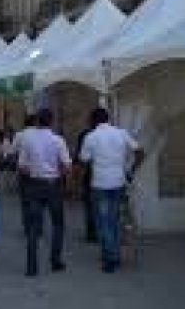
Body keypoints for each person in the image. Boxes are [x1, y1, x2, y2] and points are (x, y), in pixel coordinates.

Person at [79, 107, 145, 273]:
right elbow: (140, 152)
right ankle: (114, 253)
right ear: (108, 119)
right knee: (115, 219)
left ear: (93, 121)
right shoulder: (121, 133)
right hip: (119, 182)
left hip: (100, 184)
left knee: (103, 222)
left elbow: (84, 160)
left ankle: (111, 257)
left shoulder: (91, 137)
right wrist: (131, 171)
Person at [18, 108, 71, 277]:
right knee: (57, 224)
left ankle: (31, 267)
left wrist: (35, 173)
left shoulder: (27, 140)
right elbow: (67, 165)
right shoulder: (58, 140)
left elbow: (22, 166)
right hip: (53, 185)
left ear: (37, 122)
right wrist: (58, 177)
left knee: (33, 227)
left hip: (33, 185)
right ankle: (55, 261)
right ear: (52, 121)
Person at [75, 113, 101, 243]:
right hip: (113, 179)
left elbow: (81, 160)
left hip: (90, 176)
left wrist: (78, 181)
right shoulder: (116, 133)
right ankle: (102, 232)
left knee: (90, 206)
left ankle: (92, 233)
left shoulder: (85, 135)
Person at [15, 114, 37, 236]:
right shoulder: (39, 134)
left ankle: (27, 225)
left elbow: (12, 151)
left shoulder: (19, 135)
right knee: (37, 200)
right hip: (38, 172)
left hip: (23, 171)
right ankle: (37, 225)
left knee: (25, 200)